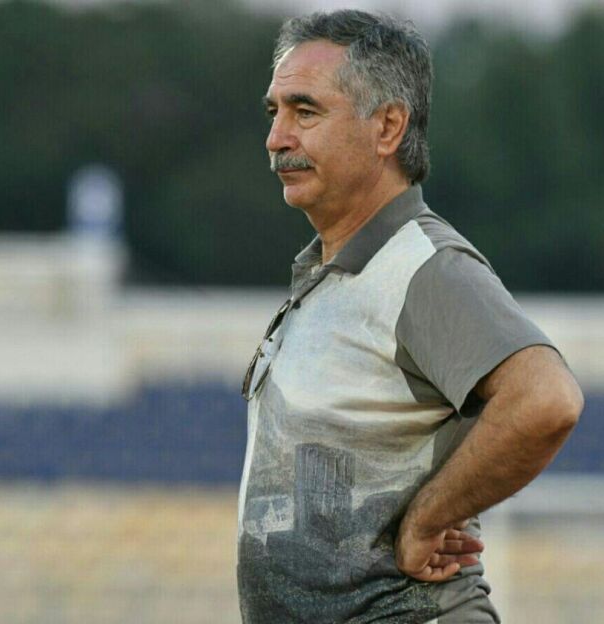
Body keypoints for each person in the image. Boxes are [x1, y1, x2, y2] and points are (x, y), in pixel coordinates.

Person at [237, 9, 583, 623]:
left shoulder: (423, 266)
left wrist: (426, 519)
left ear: (388, 126)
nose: (277, 138)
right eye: (275, 112)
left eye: (305, 111)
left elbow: (546, 399)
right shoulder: (335, 271)